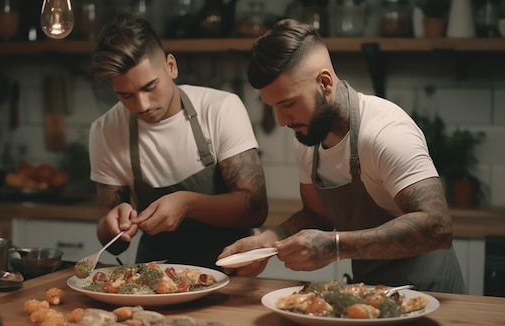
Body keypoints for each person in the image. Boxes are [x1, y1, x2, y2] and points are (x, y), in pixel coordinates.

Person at [218, 19, 466, 293]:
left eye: (288, 103)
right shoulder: (308, 138)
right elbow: (317, 215)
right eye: (274, 107)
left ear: (325, 83)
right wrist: (267, 240)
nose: (281, 121)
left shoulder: (385, 132)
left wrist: (335, 246)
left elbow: (437, 227)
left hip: (431, 296)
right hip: (372, 298)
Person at [88, 13, 268, 270]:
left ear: (171, 66)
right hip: (154, 275)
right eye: (125, 95)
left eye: (150, 86)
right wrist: (110, 225)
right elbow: (114, 244)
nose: (142, 105)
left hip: (231, 268)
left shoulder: (220, 108)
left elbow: (255, 207)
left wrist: (187, 204)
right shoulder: (106, 131)